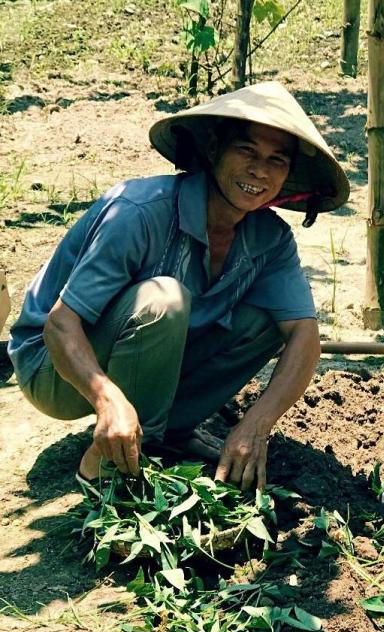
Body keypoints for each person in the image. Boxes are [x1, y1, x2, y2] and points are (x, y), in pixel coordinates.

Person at [7, 82, 349, 491]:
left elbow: (305, 337)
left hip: (151, 363)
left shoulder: (270, 238)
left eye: (276, 160)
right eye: (247, 151)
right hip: (55, 369)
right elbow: (61, 324)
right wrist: (108, 401)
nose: (260, 171)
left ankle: (163, 432)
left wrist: (255, 425)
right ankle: (108, 465)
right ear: (214, 150)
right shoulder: (139, 211)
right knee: (163, 300)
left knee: (267, 321)